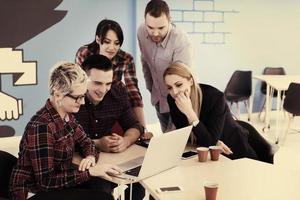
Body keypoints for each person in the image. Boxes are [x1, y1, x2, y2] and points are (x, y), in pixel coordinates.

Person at [9, 62, 122, 200]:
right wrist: (90, 172)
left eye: (83, 96)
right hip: (35, 193)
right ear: (58, 95)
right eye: (77, 97)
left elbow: (87, 143)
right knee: (101, 196)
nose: (82, 102)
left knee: (101, 184)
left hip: (56, 184)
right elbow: (46, 182)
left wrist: (90, 157)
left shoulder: (67, 117)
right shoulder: (42, 127)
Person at [163, 62, 275, 163]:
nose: (175, 92)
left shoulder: (215, 97)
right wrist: (211, 142)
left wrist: (189, 113)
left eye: (179, 85)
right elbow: (186, 132)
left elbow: (210, 141)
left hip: (233, 147)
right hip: (208, 150)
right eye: (169, 87)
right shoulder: (172, 99)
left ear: (191, 81)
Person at [74, 55, 145, 200]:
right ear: (82, 78)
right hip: (78, 164)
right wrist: (98, 143)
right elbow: (63, 143)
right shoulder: (71, 98)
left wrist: (125, 140)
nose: (103, 89)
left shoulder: (117, 93)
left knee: (140, 181)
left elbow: (135, 126)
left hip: (109, 160)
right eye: (97, 83)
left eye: (108, 83)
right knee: (101, 187)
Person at [75, 19, 152, 139]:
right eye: (107, 42)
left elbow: (133, 93)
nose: (112, 48)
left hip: (113, 102)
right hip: (88, 103)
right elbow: (77, 84)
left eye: (116, 43)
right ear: (98, 39)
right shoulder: (84, 53)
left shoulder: (126, 58)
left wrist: (143, 129)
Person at [137, 0, 193, 132]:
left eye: (161, 28)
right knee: (166, 139)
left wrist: (183, 110)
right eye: (150, 28)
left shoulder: (180, 40)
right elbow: (144, 61)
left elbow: (181, 78)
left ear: (169, 20)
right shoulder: (141, 31)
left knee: (177, 141)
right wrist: (151, 88)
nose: (155, 33)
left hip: (178, 99)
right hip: (158, 98)